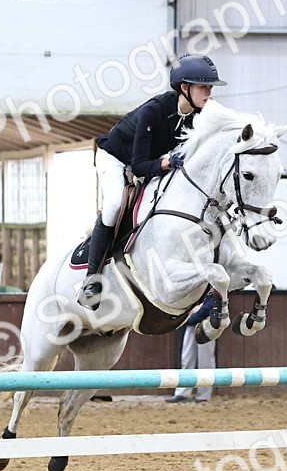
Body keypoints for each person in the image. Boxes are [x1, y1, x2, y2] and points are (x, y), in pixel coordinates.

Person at [79, 53, 226, 310]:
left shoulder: (197, 117)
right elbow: (137, 166)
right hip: (115, 159)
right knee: (114, 204)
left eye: (210, 87)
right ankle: (92, 280)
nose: (209, 92)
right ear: (184, 88)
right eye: (203, 86)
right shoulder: (153, 111)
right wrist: (167, 162)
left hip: (151, 161)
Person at [166, 292, 218, 404]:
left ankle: (203, 394)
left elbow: (212, 303)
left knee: (205, 360)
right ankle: (183, 392)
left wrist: (192, 317)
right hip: (193, 320)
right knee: (187, 358)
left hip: (208, 322)